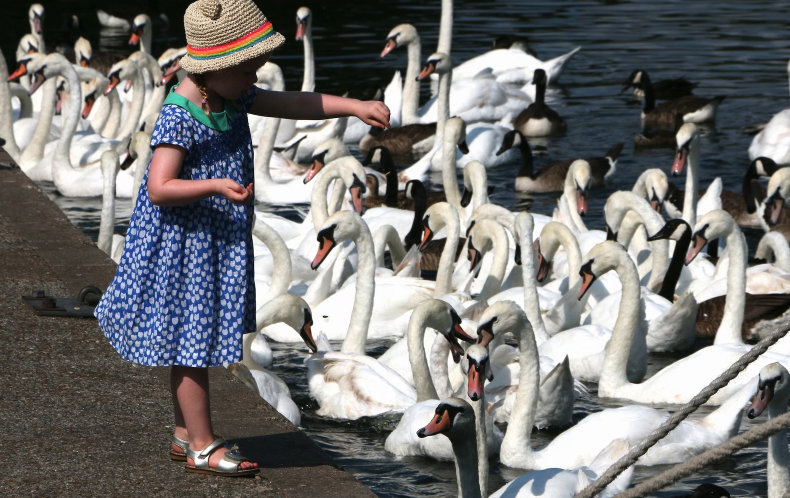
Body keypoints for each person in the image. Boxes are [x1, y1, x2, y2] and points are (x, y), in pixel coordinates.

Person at [94, 0, 390, 477]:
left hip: (209, 242)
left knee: (190, 341)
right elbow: (158, 186)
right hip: (182, 248)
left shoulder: (230, 95)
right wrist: (213, 184)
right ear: (215, 68)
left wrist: (353, 106)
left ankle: (185, 434)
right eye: (248, 71)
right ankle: (203, 446)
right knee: (192, 347)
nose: (255, 81)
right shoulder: (180, 114)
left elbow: (295, 103)